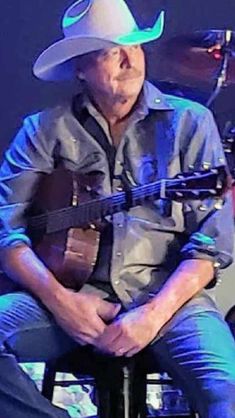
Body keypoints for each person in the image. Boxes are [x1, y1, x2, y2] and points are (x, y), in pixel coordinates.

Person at [0, 0, 234, 417]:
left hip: (169, 299)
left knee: (228, 391)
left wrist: (151, 314)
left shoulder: (190, 123)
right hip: (65, 297)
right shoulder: (42, 129)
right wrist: (62, 302)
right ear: (81, 68)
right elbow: (7, 232)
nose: (130, 60)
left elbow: (211, 243)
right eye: (111, 51)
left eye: (136, 47)